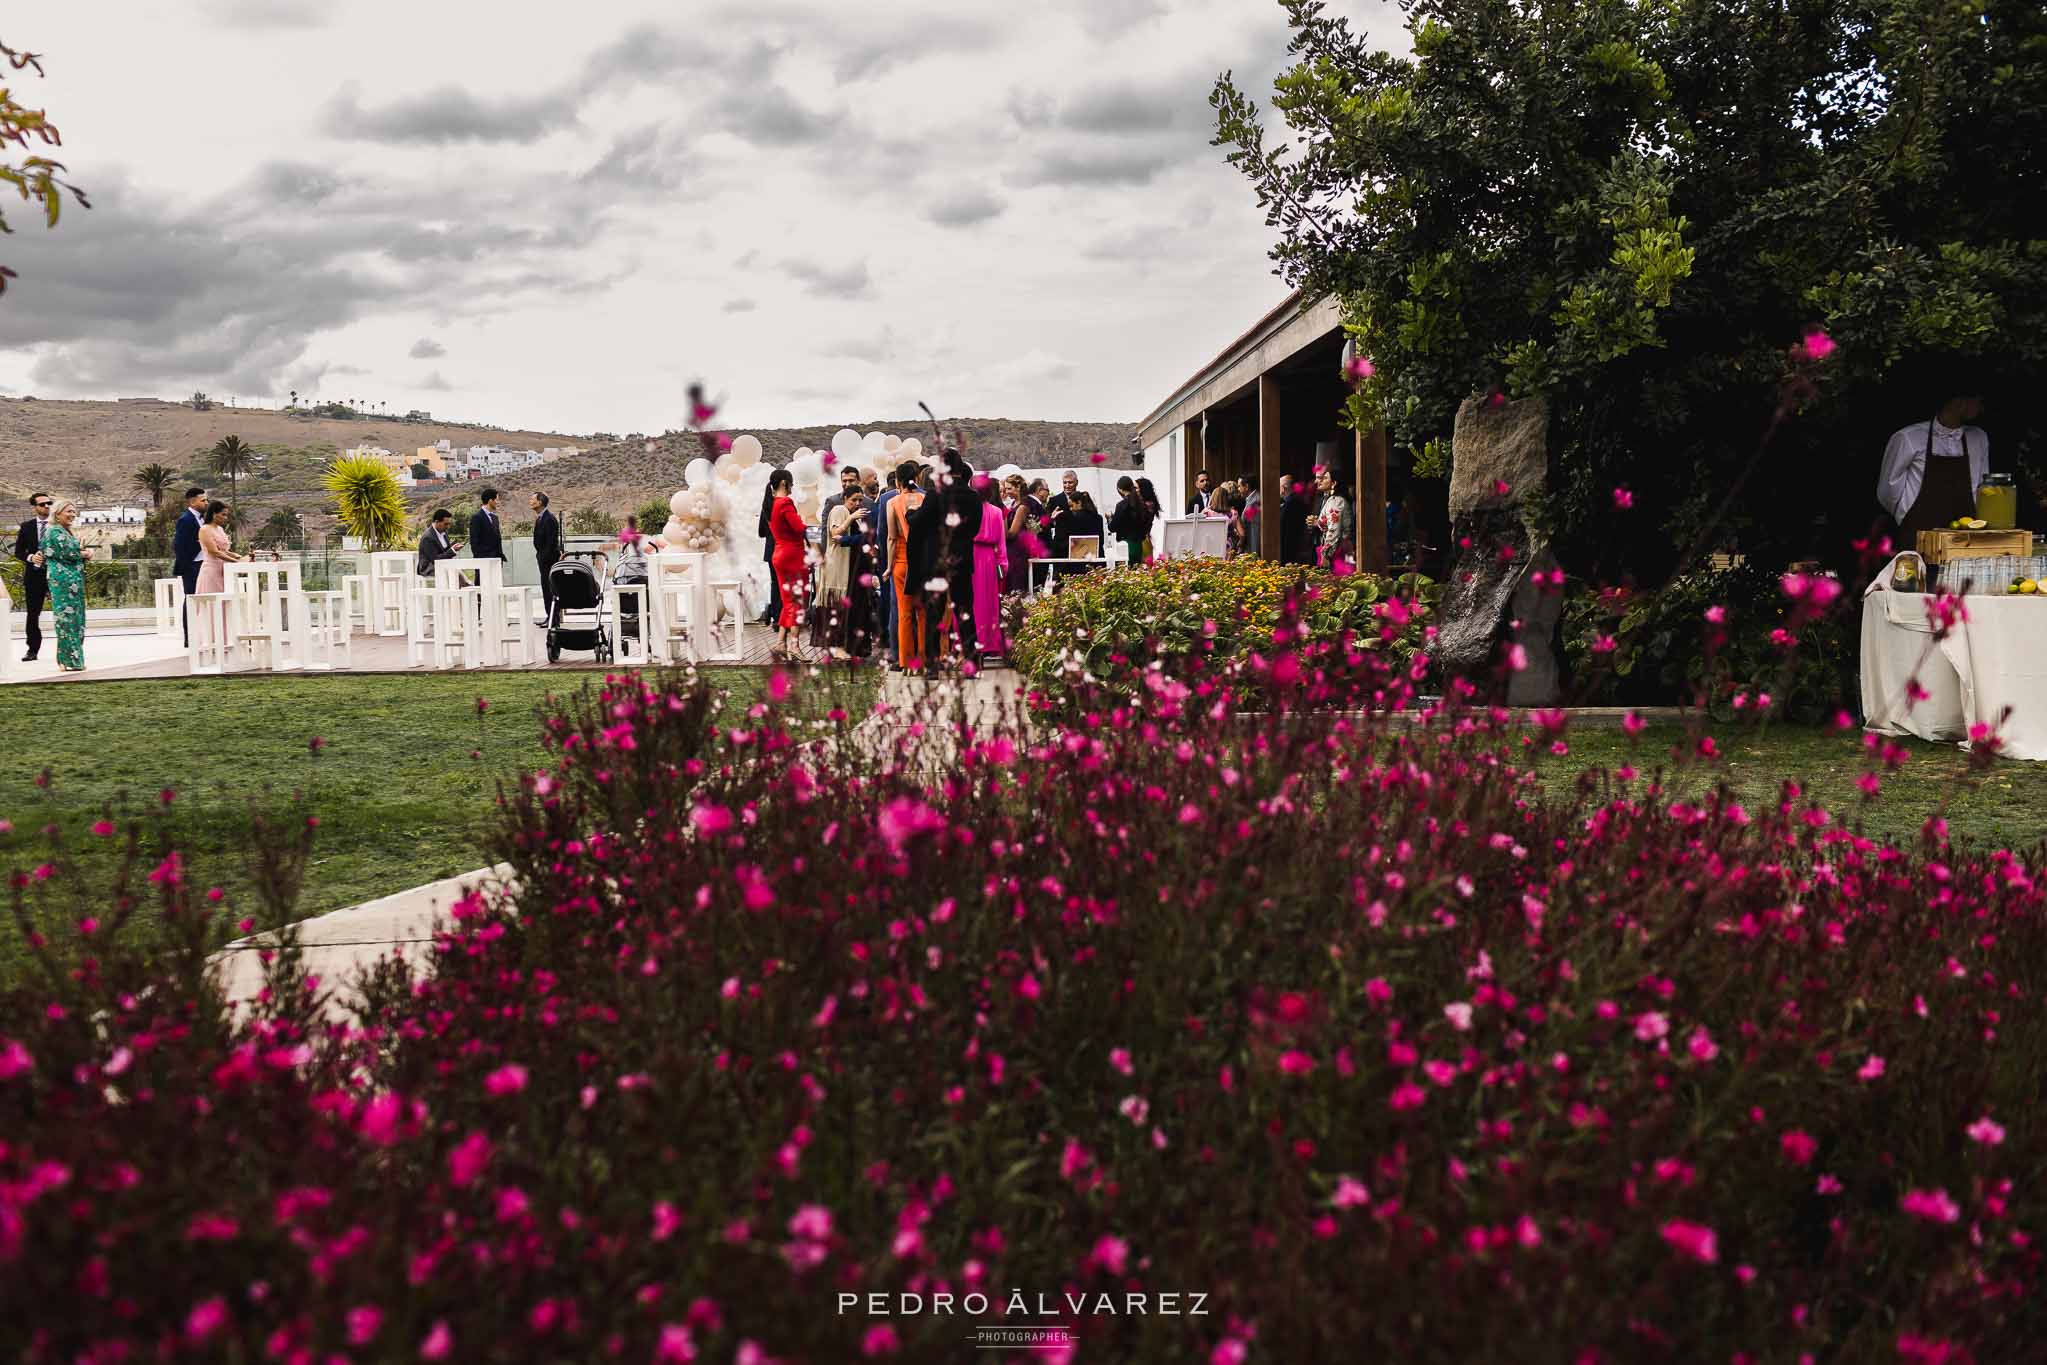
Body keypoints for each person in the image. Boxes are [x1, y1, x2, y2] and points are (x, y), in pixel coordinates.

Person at [1878, 386, 1990, 536]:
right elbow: (1888, 492)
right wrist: (1907, 516)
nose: (1981, 408)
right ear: (1959, 403)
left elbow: (1982, 489)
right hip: (1917, 535)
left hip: (1965, 539)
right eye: (1978, 401)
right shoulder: (1908, 438)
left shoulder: (1979, 438)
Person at [911, 450, 985, 666]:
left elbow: (919, 522)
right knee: (965, 610)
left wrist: (911, 513)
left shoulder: (935, 494)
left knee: (934, 612)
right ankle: (972, 659)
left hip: (937, 560)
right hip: (962, 559)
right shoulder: (973, 497)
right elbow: (975, 528)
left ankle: (932, 664)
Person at [815, 489, 873, 660]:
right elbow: (835, 535)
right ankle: (835, 646)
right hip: (836, 566)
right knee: (836, 607)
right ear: (845, 498)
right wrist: (851, 518)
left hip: (847, 567)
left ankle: (840, 645)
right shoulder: (840, 510)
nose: (857, 503)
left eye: (860, 500)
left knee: (842, 608)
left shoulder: (853, 514)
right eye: (854, 499)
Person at [39, 500, 91, 672]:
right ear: (58, 513)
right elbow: (68, 552)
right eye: (68, 511)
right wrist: (85, 553)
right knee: (67, 620)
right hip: (63, 582)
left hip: (73, 581)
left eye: (74, 512)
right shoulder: (54, 531)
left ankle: (65, 659)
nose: (72, 515)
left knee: (76, 620)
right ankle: (71, 660)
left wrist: (81, 553)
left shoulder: (64, 531)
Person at [887, 462, 929, 673]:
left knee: (904, 613)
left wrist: (887, 566)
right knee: (922, 612)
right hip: (922, 561)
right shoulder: (924, 499)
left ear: (898, 481)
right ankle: (923, 659)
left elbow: (891, 538)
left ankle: (906, 661)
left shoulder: (893, 502)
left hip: (902, 562)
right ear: (917, 478)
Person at [767, 468, 808, 662]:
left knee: (788, 601)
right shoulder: (785, 503)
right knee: (798, 601)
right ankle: (794, 645)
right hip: (793, 555)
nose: (792, 487)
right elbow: (799, 528)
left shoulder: (771, 504)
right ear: (784, 483)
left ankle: (781, 642)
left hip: (779, 554)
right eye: (791, 483)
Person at [11, 491, 53, 662]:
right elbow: (18, 552)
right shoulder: (26, 527)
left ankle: (69, 650)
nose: (47, 506)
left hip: (57, 575)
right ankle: (32, 650)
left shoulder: (58, 526)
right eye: (42, 504)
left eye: (49, 503)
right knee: (33, 614)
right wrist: (30, 557)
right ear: (35, 507)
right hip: (34, 577)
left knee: (65, 612)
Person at [972, 480, 1009, 658]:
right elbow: (1001, 542)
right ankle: (990, 642)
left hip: (971, 555)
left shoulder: (967, 511)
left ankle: (972, 640)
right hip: (988, 558)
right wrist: (1003, 563)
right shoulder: (996, 512)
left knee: (973, 601)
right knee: (988, 602)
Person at [172, 486, 206, 645]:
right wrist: (187, 566)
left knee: (202, 599)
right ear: (192, 502)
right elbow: (179, 545)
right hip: (192, 566)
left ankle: (202, 634)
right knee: (191, 599)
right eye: (203, 500)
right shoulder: (185, 519)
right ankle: (189, 637)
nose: (206, 503)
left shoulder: (203, 518)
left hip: (203, 565)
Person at [1002, 473, 1041, 595]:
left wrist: (1002, 520)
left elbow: (1012, 533)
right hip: (1011, 550)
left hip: (1017, 551)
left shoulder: (1023, 506)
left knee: (1016, 585)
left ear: (1018, 487)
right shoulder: (1014, 504)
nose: (1007, 492)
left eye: (1009, 488)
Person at [195, 499, 243, 594]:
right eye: (223, 514)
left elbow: (223, 550)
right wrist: (235, 561)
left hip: (225, 570)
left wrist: (236, 555)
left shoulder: (220, 529)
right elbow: (214, 552)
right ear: (214, 514)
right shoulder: (205, 530)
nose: (225, 518)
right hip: (212, 570)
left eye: (226, 515)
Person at [1314, 466, 1355, 572]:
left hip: (1337, 552)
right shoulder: (1332, 500)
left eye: (1325, 478)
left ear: (1334, 483)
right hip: (1335, 549)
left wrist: (1326, 555)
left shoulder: (1336, 502)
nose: (1321, 481)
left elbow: (1334, 529)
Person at [531, 491, 562, 623]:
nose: (530, 502)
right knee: (545, 588)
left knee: (550, 589)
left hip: (549, 560)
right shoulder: (540, 518)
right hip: (543, 559)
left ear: (540, 502)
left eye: (533, 499)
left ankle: (553, 619)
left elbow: (551, 542)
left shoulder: (549, 519)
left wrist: (544, 556)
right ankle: (549, 616)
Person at [1109, 476, 1154, 566]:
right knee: (1136, 575)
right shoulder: (1142, 504)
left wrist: (1110, 519)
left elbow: (1112, 528)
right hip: (1138, 545)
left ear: (1120, 489)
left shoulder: (1121, 505)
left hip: (1124, 546)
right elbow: (1146, 525)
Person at [756, 481, 782, 626]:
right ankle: (784, 617)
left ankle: (776, 617)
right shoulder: (784, 506)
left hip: (770, 551)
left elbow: (760, 532)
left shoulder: (765, 509)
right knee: (784, 583)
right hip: (783, 548)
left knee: (774, 583)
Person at [1279, 477, 1316, 566]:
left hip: (1291, 551)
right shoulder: (1291, 502)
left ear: (1283, 488)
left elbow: (1289, 531)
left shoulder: (1293, 504)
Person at [1044, 470, 1082, 557]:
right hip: (1060, 547)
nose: (1067, 485)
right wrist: (1051, 518)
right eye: (1065, 483)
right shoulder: (1054, 500)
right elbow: (1046, 522)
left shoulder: (1083, 498)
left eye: (1070, 482)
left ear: (1076, 483)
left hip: (1079, 544)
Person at [417, 508, 460, 578]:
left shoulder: (443, 532)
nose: (448, 527)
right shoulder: (427, 537)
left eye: (449, 524)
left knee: (455, 570)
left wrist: (454, 547)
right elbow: (435, 559)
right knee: (452, 571)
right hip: (429, 568)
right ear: (437, 522)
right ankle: (466, 585)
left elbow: (445, 551)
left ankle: (466, 585)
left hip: (442, 565)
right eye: (446, 524)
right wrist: (452, 550)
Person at [468, 487, 506, 565]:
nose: (498, 502)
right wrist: (480, 561)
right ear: (490, 501)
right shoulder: (477, 518)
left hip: (496, 561)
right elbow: (474, 542)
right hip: (483, 561)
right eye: (496, 500)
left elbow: (497, 539)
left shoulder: (495, 518)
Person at [1241, 476, 1262, 558]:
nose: (1238, 489)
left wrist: (1254, 554)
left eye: (1240, 486)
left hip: (1253, 548)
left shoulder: (1255, 502)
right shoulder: (1251, 499)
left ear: (1246, 487)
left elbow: (1254, 530)